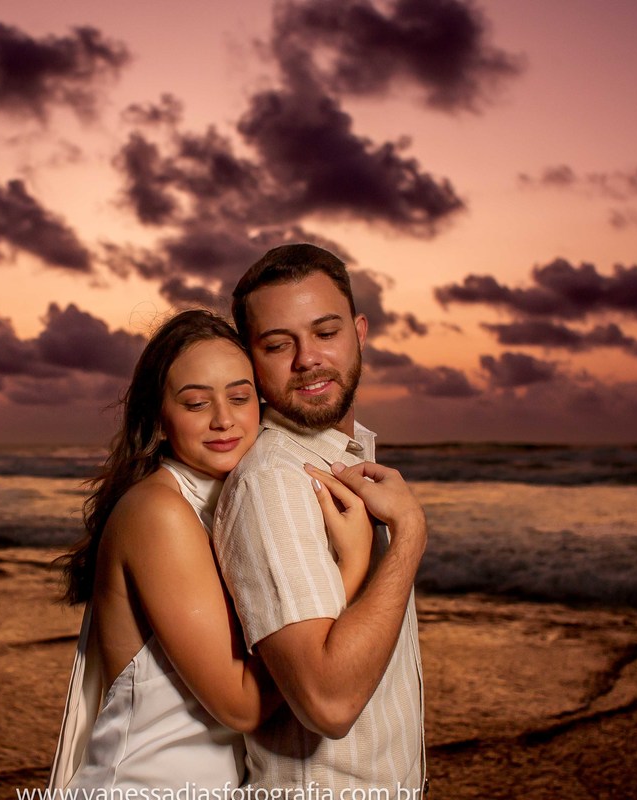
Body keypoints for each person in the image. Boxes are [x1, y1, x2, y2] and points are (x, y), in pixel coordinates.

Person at [48, 309, 381, 790]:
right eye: (196, 404)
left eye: (239, 397)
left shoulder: (221, 502)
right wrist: (348, 567)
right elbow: (241, 705)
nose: (224, 420)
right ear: (159, 419)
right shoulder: (158, 513)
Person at [212, 243, 429, 795]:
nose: (307, 358)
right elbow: (328, 704)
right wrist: (410, 537)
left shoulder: (348, 458)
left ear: (359, 333)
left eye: (325, 333)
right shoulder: (273, 484)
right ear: (250, 359)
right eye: (279, 344)